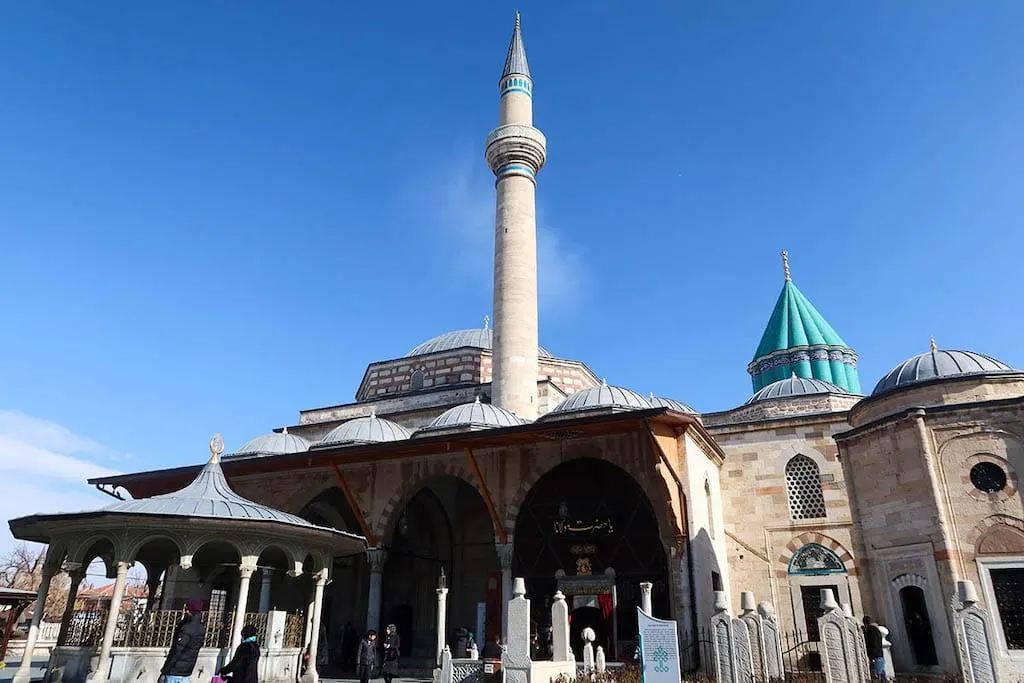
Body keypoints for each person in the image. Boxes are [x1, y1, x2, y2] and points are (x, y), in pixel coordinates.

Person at [160, 598, 205, 683]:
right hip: (187, 670)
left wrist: (166, 669)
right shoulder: (201, 628)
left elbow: (177, 650)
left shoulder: (187, 628)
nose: (185, 611)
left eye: (187, 609)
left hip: (175, 670)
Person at [862, 615, 886, 680]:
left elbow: (872, 644)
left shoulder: (870, 631)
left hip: (875, 657)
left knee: (877, 677)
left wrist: (872, 657)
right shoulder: (877, 630)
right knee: (882, 676)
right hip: (880, 655)